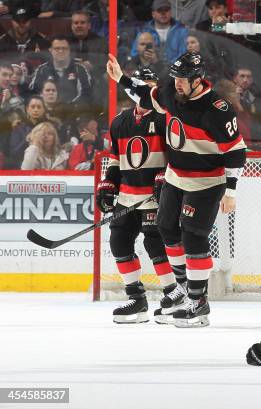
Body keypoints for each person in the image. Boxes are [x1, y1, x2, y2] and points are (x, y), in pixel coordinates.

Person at [107, 50, 246, 328]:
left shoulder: (217, 109)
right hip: (175, 177)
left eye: (183, 79)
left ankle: (198, 302)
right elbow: (147, 96)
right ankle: (183, 289)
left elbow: (236, 153)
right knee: (166, 228)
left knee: (193, 237)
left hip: (207, 182)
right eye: (176, 78)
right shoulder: (172, 92)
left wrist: (230, 192)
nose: (177, 83)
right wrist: (121, 78)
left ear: (198, 79)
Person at [96, 68, 185, 324]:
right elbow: (116, 158)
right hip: (127, 196)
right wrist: (108, 184)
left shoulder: (167, 118)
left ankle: (174, 295)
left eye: (150, 86)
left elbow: (179, 154)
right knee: (119, 242)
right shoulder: (120, 121)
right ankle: (137, 299)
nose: (145, 92)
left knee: (155, 243)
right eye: (141, 86)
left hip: (157, 197)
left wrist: (164, 177)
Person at [29, 35, 93, 109]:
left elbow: (86, 94)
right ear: (50, 50)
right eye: (57, 48)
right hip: (47, 112)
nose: (61, 51)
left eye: (64, 48)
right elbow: (34, 93)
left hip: (73, 112)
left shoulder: (79, 69)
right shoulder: (42, 70)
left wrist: (68, 108)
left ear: (69, 50)